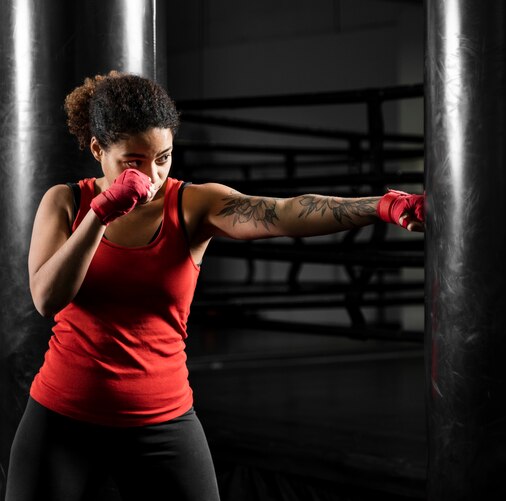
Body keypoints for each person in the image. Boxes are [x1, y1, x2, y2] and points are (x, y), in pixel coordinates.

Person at [5, 71, 425, 501]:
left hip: (164, 422)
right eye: (133, 162)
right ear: (98, 149)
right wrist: (100, 214)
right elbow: (46, 298)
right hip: (64, 419)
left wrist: (382, 206)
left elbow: (283, 212)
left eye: (163, 157)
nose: (151, 177)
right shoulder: (66, 202)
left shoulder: (191, 205)